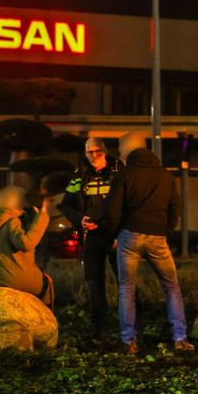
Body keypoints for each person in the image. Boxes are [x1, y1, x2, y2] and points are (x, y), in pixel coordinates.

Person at [105, 147, 192, 354]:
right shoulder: (165, 176)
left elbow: (113, 209)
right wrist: (166, 230)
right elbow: (175, 208)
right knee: (171, 286)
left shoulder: (123, 176)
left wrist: (113, 234)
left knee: (126, 289)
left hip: (129, 237)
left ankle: (129, 341)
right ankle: (180, 338)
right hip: (157, 237)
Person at [59, 138, 123, 336]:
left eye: (97, 151)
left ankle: (131, 331)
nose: (94, 155)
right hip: (92, 236)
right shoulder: (79, 175)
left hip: (116, 236)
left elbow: (128, 203)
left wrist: (121, 231)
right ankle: (101, 330)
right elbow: (66, 204)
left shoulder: (119, 172)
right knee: (94, 282)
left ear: (105, 151)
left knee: (125, 283)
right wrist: (81, 219)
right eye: (89, 152)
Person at [0, 185, 54, 309]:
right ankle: (44, 319)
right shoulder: (11, 221)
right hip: (15, 279)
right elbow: (26, 243)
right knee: (47, 284)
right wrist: (42, 217)